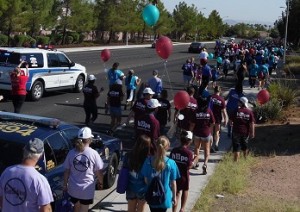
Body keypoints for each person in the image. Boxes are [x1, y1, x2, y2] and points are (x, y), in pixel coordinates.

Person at [0, 138, 53, 211]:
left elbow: (1, 200)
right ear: (41, 155)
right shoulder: (39, 180)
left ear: (24, 149)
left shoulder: (7, 172)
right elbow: (45, 209)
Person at [63, 127, 104, 212]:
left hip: (73, 188)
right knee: (84, 209)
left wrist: (65, 185)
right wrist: (101, 182)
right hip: (86, 190)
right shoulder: (93, 154)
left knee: (75, 208)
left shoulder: (71, 153)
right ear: (90, 139)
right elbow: (99, 171)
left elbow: (67, 171)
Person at [141, 136, 180, 212]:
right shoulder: (171, 163)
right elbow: (173, 183)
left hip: (152, 194)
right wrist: (174, 197)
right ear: (168, 147)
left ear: (155, 145)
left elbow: (145, 180)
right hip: (165, 196)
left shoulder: (148, 161)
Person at [125, 135, 152, 212]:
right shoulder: (148, 160)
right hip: (143, 189)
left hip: (130, 187)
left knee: (130, 210)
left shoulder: (128, 156)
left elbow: (124, 171)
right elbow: (146, 179)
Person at [190, 96, 215, 174]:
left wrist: (190, 132)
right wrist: (210, 130)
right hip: (206, 133)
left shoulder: (196, 111)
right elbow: (213, 122)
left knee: (196, 148)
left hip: (197, 133)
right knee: (206, 150)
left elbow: (192, 124)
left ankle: (195, 162)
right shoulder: (208, 111)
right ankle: (205, 164)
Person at [170, 131, 193, 212]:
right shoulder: (189, 153)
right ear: (190, 141)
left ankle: (174, 210)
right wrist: (195, 160)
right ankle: (182, 208)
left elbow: (170, 162)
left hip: (175, 175)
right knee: (185, 190)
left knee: (176, 192)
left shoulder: (174, 150)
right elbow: (189, 166)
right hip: (184, 176)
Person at [229, 97, 255, 161]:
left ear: (241, 103)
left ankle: (236, 162)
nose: (238, 102)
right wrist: (252, 133)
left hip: (236, 132)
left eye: (239, 101)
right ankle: (245, 159)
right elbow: (252, 123)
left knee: (236, 147)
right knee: (244, 146)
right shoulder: (249, 112)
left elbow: (230, 121)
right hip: (245, 133)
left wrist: (231, 124)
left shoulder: (236, 111)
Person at [210, 86, 228, 151]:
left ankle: (211, 146)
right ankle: (216, 144)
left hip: (210, 117)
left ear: (214, 91)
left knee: (211, 132)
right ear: (220, 91)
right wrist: (226, 119)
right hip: (218, 117)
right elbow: (224, 111)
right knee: (217, 132)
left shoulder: (210, 97)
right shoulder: (221, 100)